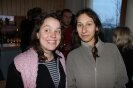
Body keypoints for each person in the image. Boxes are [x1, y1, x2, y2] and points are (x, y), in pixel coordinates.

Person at [66, 8, 128, 88]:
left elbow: (121, 81)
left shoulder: (112, 49)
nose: (84, 30)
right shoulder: (72, 56)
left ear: (97, 27)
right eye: (80, 25)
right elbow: (71, 85)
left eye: (89, 24)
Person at [6, 13, 66, 88]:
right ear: (37, 34)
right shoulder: (19, 64)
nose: (53, 35)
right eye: (47, 30)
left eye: (58, 31)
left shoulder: (61, 58)